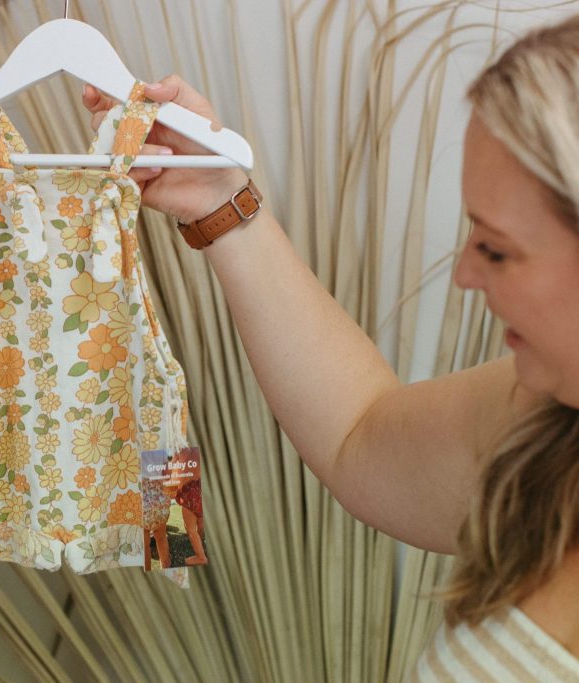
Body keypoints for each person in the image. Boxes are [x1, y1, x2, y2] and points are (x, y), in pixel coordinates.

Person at [83, 13, 579, 678]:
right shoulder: (548, 423)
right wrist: (219, 200)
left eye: (495, 248)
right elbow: (360, 434)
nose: (464, 274)